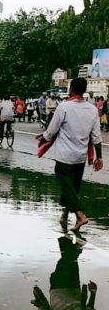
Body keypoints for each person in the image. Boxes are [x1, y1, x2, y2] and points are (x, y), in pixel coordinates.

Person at [38, 77, 103, 232]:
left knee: (67, 187)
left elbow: (52, 130)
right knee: (73, 187)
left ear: (72, 89)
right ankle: (65, 215)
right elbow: (96, 137)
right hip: (80, 157)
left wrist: (43, 139)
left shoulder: (64, 107)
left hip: (64, 156)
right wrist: (99, 156)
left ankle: (80, 215)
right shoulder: (92, 109)